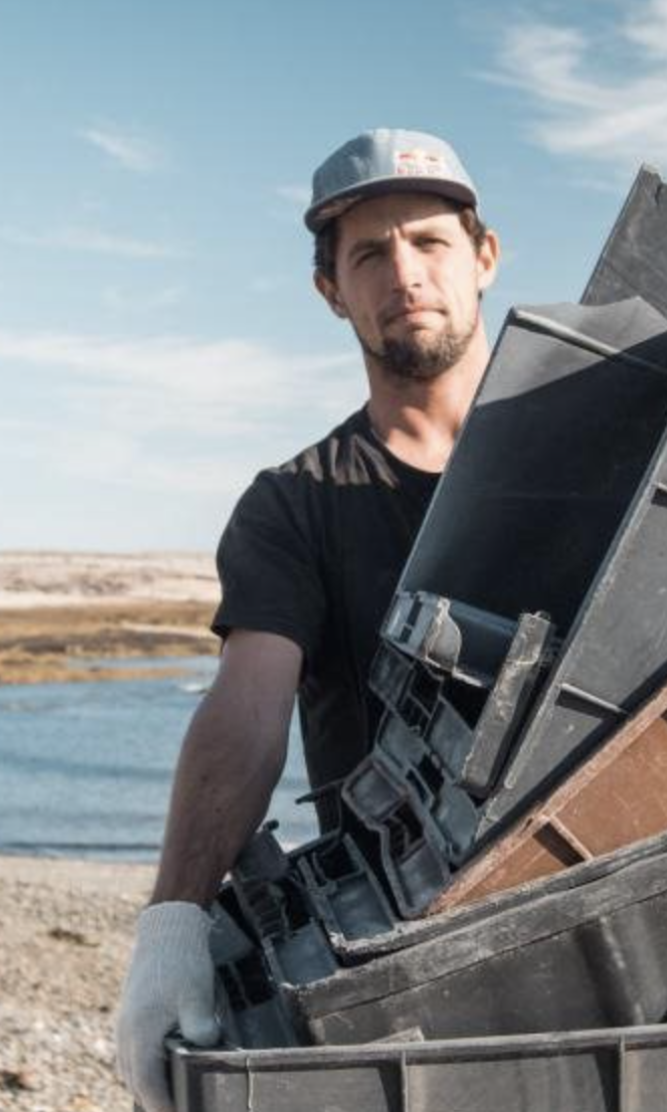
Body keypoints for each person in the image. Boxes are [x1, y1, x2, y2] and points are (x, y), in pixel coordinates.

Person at [115, 128, 501, 1112]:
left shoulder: (607, 443)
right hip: (408, 958)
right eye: (368, 254)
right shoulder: (294, 505)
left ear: (484, 257)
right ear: (331, 289)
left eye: (429, 241)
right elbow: (247, 711)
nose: (404, 273)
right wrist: (173, 925)